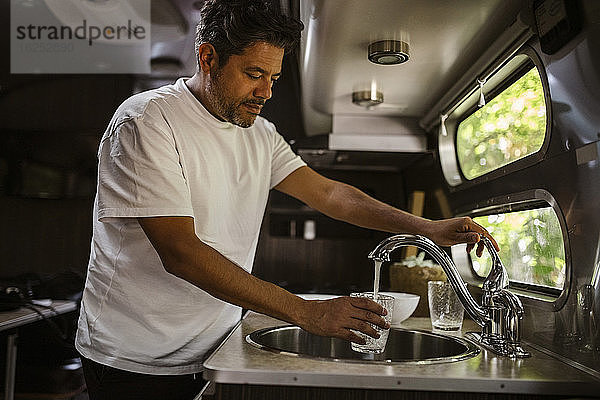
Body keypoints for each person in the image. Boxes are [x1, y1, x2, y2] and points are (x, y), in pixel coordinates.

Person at [75, 1, 498, 399]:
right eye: (254, 73)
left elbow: (331, 194)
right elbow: (181, 252)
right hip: (134, 358)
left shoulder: (261, 134)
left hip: (213, 347)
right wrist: (307, 312)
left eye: (274, 78)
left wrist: (426, 228)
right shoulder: (146, 121)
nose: (266, 91)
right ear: (207, 59)